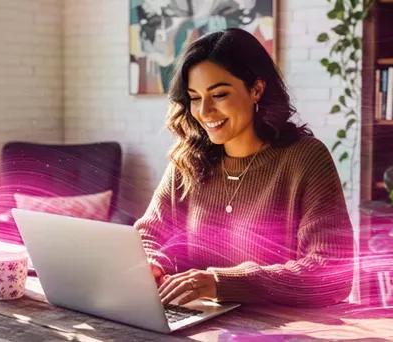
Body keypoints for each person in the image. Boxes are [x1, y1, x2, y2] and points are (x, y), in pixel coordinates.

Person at [134, 28, 353, 308]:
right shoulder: (189, 160)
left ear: (256, 90)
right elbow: (149, 235)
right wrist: (151, 264)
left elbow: (332, 273)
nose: (204, 112)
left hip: (280, 331)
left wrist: (221, 283)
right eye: (195, 97)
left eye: (219, 94)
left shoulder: (305, 158)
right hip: (195, 326)